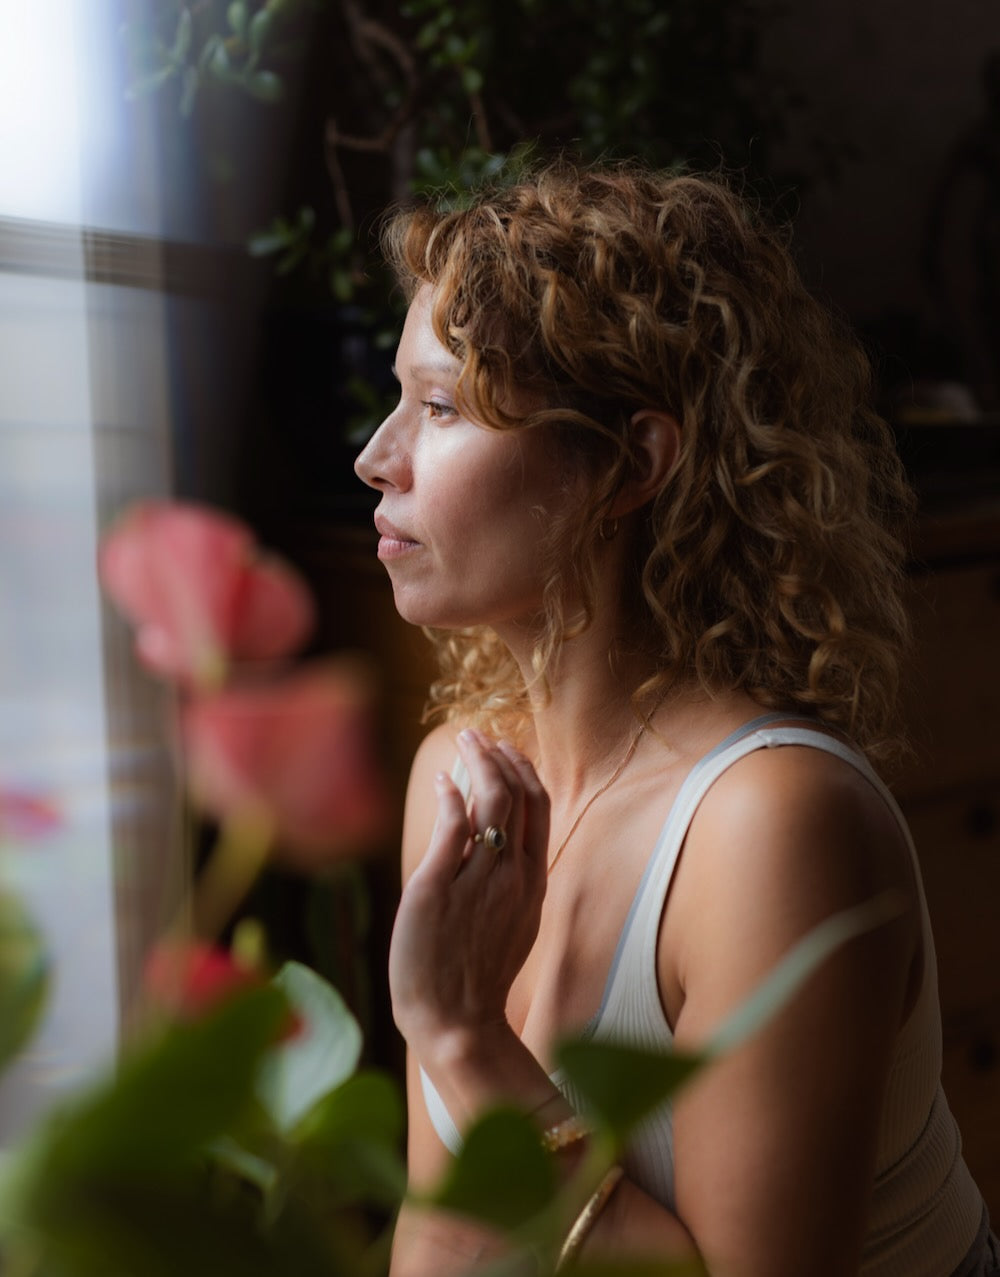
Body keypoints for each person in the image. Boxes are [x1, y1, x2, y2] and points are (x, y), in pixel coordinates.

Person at [354, 159, 997, 1277]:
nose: (375, 457)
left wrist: (460, 1036)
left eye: (444, 406)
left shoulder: (773, 825)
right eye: (397, 397)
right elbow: (448, 1235)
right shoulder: (459, 776)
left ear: (630, 464)